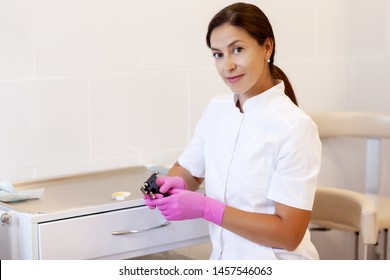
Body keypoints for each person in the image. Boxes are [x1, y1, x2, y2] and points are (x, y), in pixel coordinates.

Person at [144, 2, 321, 260]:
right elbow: (189, 170)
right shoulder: (217, 110)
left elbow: (289, 234)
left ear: (267, 48)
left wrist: (207, 208)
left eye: (237, 50)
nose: (227, 65)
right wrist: (172, 185)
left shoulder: (294, 127)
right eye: (218, 54)